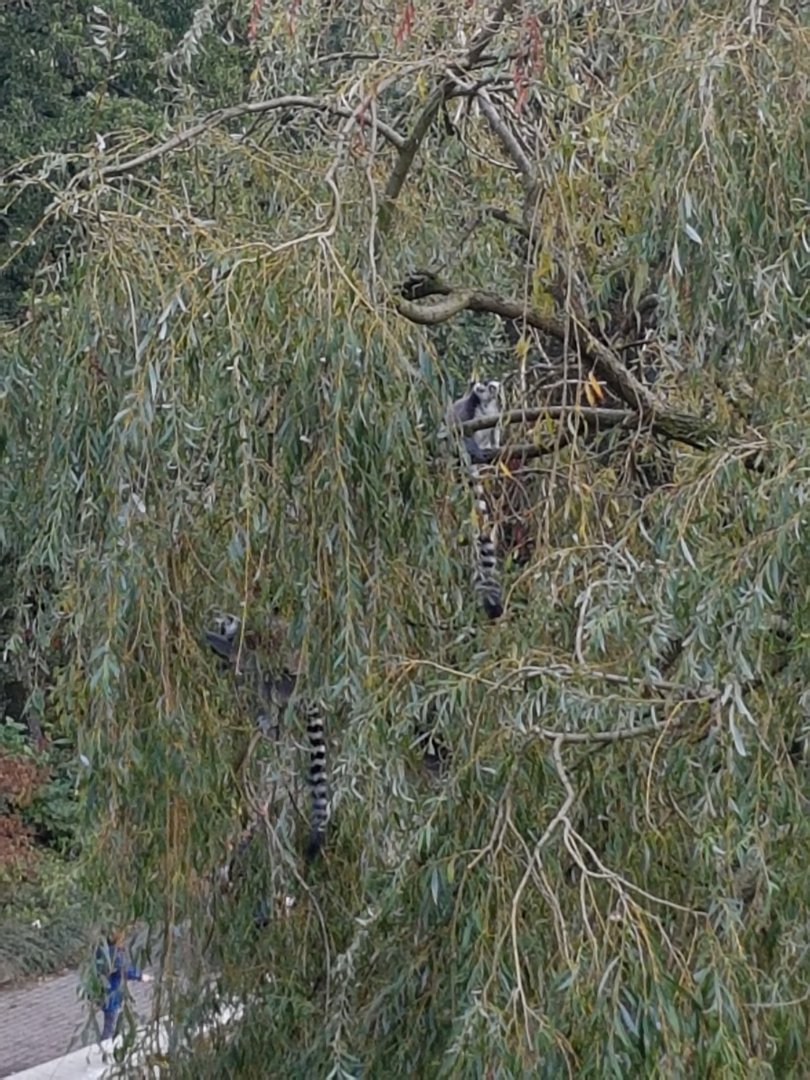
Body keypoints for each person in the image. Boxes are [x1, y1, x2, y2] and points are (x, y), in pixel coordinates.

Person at [95, 929, 153, 1041]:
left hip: (105, 993)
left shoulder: (102, 951)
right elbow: (124, 970)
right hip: (112, 995)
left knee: (112, 1021)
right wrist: (140, 976)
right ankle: (105, 1046)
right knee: (110, 1025)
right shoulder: (114, 955)